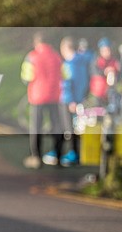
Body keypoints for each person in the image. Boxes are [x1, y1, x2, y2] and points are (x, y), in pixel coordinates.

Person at [21, 32, 63, 168]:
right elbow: (65, 74)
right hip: (54, 95)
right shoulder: (57, 56)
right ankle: (58, 155)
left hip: (37, 96)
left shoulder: (32, 57)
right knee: (56, 125)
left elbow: (26, 77)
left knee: (36, 126)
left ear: (36, 42)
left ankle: (36, 156)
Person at [58, 36, 89, 166]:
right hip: (79, 99)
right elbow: (85, 81)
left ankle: (72, 153)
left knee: (68, 127)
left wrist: (71, 101)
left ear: (65, 49)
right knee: (77, 127)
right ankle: (76, 152)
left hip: (68, 100)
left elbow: (66, 84)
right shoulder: (82, 62)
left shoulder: (68, 65)